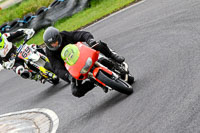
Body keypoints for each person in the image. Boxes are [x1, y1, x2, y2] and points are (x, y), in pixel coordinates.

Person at [43, 26, 125, 97]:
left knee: (97, 45)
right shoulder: (49, 53)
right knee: (76, 91)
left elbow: (81, 34)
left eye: (55, 42)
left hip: (83, 54)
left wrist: (89, 40)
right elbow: (57, 68)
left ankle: (113, 55)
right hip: (73, 68)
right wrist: (68, 76)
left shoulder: (65, 35)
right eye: (51, 44)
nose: (54, 45)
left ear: (59, 37)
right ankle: (94, 82)